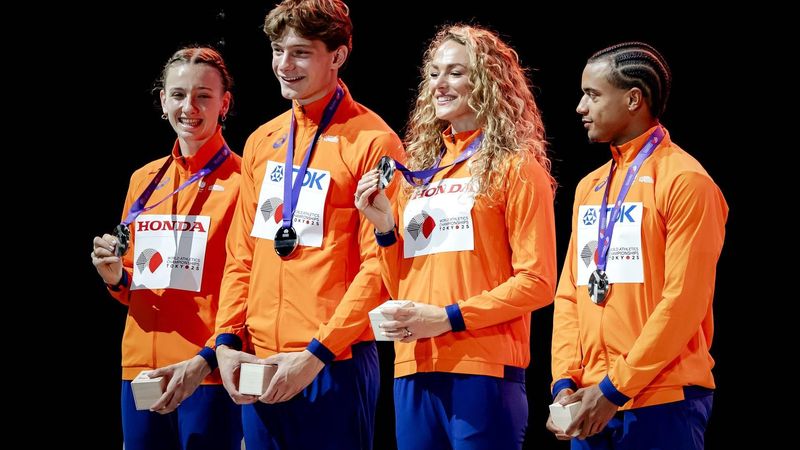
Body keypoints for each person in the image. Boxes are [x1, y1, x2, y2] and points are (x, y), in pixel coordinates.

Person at [210, 1, 403, 449]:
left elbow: (378, 268)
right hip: (259, 360)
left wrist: (317, 354)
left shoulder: (375, 141)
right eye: (277, 50)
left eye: (300, 52)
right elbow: (242, 255)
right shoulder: (262, 140)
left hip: (333, 363)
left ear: (337, 56)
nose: (283, 65)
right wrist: (224, 342)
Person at [355, 24, 557, 450]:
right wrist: (386, 229)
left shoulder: (516, 168)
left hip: (483, 367)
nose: (439, 85)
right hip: (413, 366)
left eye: (455, 73)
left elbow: (537, 282)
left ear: (488, 82)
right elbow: (399, 283)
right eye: (433, 73)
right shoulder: (417, 175)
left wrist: (447, 318)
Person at [547, 42, 728, 449]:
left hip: (662, 400)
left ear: (633, 99)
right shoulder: (589, 187)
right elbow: (570, 294)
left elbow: (683, 302)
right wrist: (564, 381)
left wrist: (615, 388)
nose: (580, 107)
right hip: (589, 401)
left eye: (592, 95)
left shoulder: (686, 182)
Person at [90, 46, 243, 450]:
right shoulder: (143, 180)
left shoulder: (247, 180)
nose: (189, 106)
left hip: (206, 371)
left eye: (203, 95)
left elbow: (248, 286)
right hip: (141, 369)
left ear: (224, 103)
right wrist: (116, 277)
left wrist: (210, 358)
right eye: (178, 95)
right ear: (162, 100)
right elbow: (132, 285)